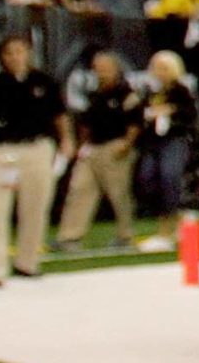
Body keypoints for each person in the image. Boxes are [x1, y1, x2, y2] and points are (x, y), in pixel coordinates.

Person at [0, 32, 71, 285]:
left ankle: (27, 262)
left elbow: (60, 115)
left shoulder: (44, 83)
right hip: (1, 153)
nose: (15, 57)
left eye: (20, 51)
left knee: (35, 208)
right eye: (9, 53)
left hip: (37, 149)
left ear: (28, 53)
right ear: (2, 57)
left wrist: (67, 140)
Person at [56, 48, 143, 251]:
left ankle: (125, 235)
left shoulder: (126, 93)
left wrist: (127, 143)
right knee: (79, 190)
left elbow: (136, 122)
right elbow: (86, 123)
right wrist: (82, 145)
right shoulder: (96, 95)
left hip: (115, 146)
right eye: (97, 68)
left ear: (115, 69)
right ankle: (70, 236)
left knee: (118, 193)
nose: (100, 72)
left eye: (105, 68)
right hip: (92, 148)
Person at [134, 49, 199, 250]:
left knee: (168, 177)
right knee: (147, 178)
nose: (159, 72)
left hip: (173, 139)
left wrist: (171, 111)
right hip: (153, 142)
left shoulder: (180, 91)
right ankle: (180, 218)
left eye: (164, 68)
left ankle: (167, 230)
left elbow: (191, 115)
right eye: (156, 68)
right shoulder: (149, 92)